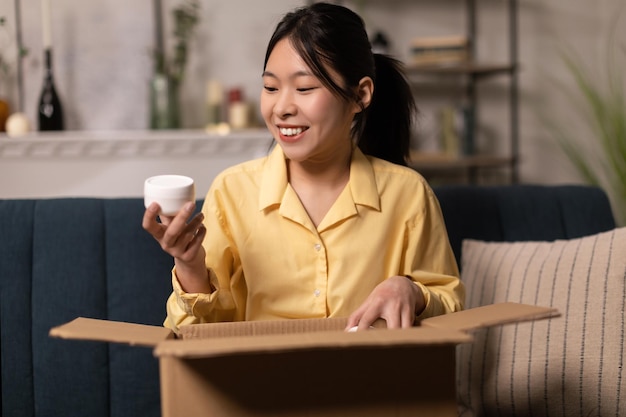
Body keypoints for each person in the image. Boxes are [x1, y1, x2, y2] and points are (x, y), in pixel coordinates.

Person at [142, 2, 464, 333]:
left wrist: (412, 291)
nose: (281, 108)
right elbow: (193, 335)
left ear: (360, 95)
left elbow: (451, 307)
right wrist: (190, 265)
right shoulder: (233, 192)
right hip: (261, 380)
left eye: (305, 88)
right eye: (270, 87)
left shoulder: (407, 193)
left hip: (367, 380)